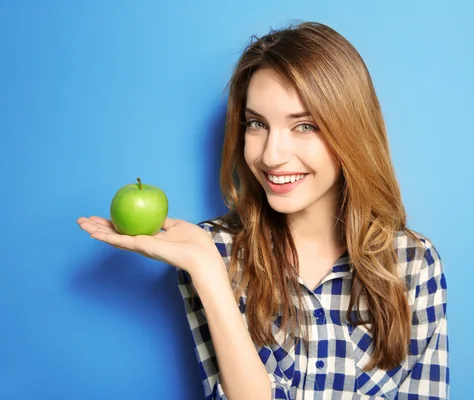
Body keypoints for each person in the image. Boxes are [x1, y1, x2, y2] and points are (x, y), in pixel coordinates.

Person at [77, 21, 449, 400]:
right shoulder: (213, 254)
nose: (271, 155)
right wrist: (209, 274)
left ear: (350, 130)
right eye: (256, 124)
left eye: (304, 126)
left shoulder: (413, 264)